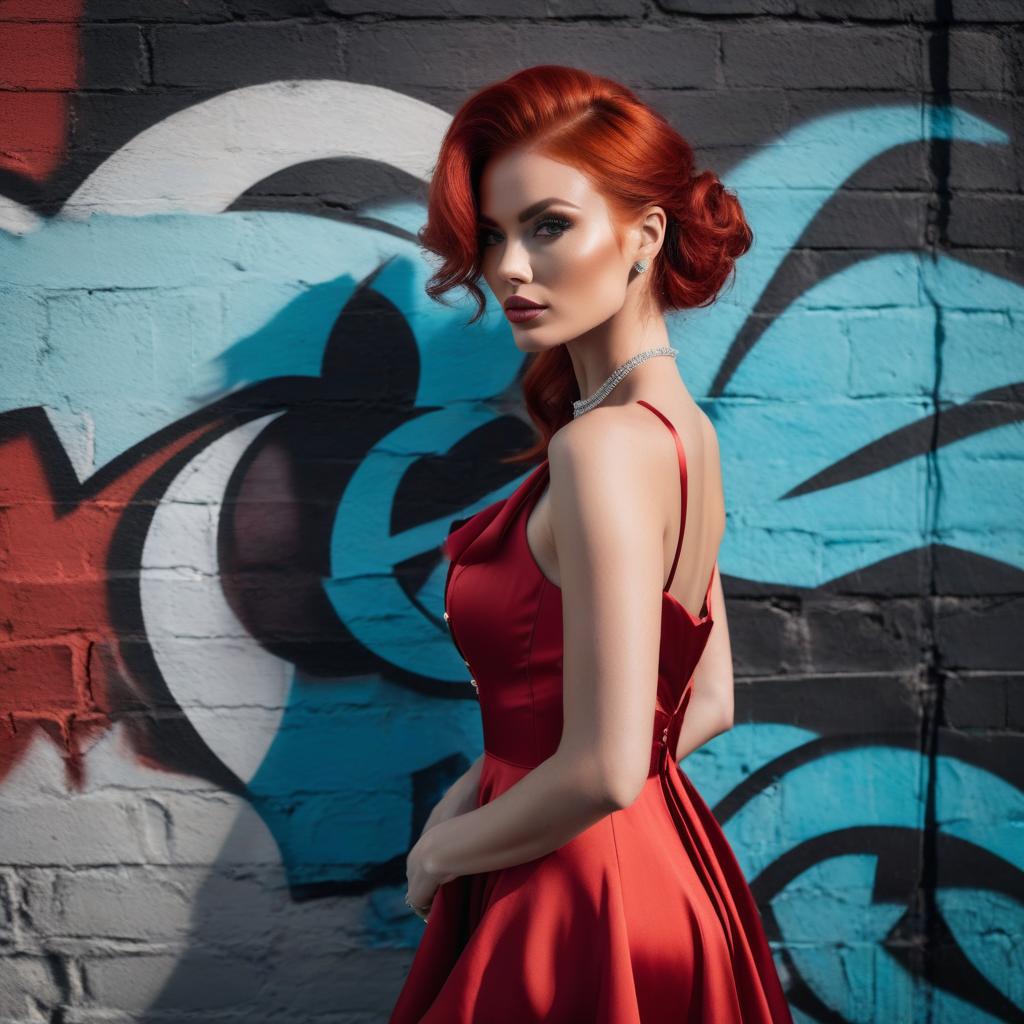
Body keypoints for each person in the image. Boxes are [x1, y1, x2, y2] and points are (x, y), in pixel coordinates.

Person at [389, 64, 793, 1023]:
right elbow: (708, 702)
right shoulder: (680, 431)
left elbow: (608, 767)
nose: (510, 269)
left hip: (573, 894)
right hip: (657, 870)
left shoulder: (603, 448)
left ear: (644, 235)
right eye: (493, 236)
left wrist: (444, 849)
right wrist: (485, 786)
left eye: (548, 226)